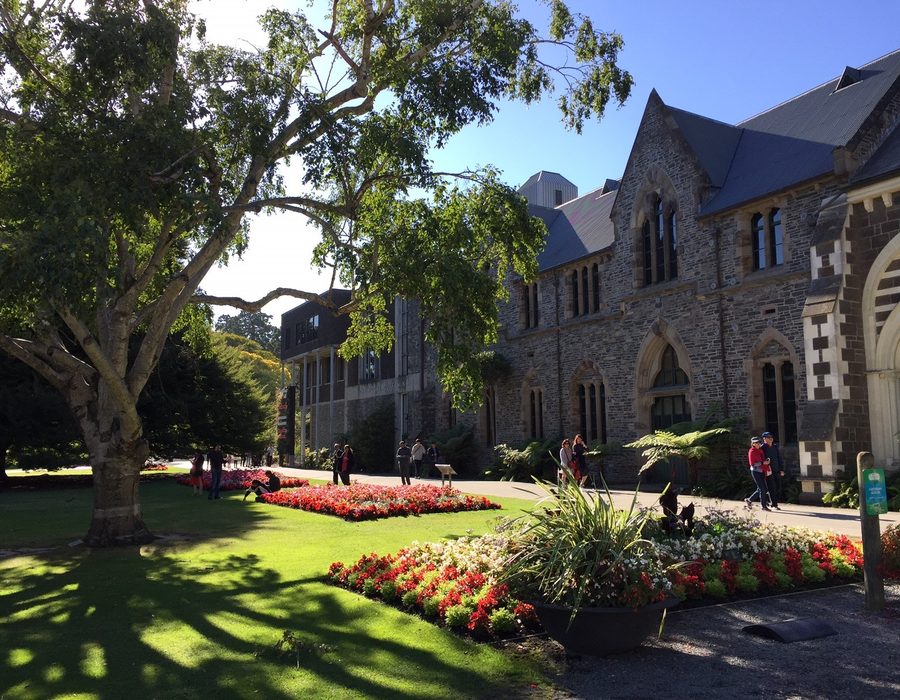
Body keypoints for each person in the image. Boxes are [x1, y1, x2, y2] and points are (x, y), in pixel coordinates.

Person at [744, 436, 771, 511]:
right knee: (762, 489)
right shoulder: (752, 451)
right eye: (756, 443)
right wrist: (763, 462)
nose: (758, 444)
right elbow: (753, 464)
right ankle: (764, 506)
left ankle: (749, 500)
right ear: (753, 444)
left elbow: (762, 459)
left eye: (759, 442)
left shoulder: (760, 450)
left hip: (762, 471)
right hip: (756, 472)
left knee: (761, 489)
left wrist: (766, 461)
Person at [761, 431, 784, 510]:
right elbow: (762, 460)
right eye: (768, 437)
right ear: (764, 439)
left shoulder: (775, 447)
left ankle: (770, 501)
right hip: (768, 471)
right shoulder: (762, 448)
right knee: (772, 487)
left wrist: (781, 469)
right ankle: (774, 504)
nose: (770, 439)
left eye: (771, 437)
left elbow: (779, 458)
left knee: (778, 487)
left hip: (777, 470)